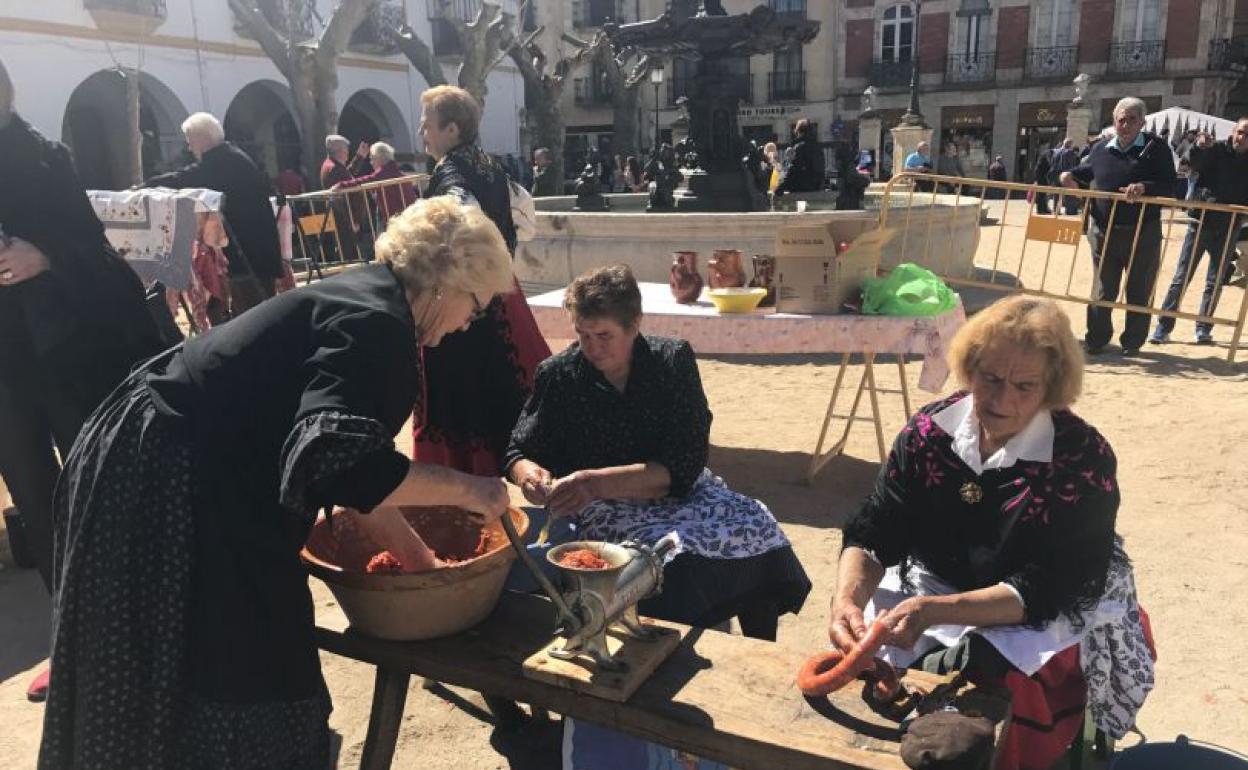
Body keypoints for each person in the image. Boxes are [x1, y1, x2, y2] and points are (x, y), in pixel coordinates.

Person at [39, 196, 515, 769]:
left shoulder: (370, 298)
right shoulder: (379, 326)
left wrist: (420, 563)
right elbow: (338, 463)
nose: (470, 322)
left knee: (205, 650)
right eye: (476, 305)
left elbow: (345, 469)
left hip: (155, 450)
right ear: (447, 284)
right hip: (166, 471)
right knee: (240, 659)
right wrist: (475, 490)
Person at [831, 296, 1153, 770]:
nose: (1003, 400)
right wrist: (847, 599)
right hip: (937, 583)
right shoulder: (928, 433)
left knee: (998, 693)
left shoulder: (1082, 459)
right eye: (991, 378)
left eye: (1025, 386)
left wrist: (937, 611)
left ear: (1051, 387)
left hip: (1044, 603)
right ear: (969, 367)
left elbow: (1051, 587)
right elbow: (878, 526)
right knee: (865, 677)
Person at [0, 59, 163, 700]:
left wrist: (44, 256)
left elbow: (97, 254)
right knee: (36, 506)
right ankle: (71, 642)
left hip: (67, 359)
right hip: (6, 374)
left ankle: (138, 631)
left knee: (92, 494)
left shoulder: (46, 157)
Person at [414, 84, 551, 474]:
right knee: (509, 382)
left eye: (428, 125)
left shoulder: (452, 174)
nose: (422, 132)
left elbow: (463, 223)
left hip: (465, 302)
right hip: (503, 291)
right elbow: (525, 218)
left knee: (466, 389)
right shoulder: (492, 165)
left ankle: (464, 475)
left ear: (452, 129)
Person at [1061, 97, 1176, 355]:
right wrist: (1067, 176)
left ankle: (1133, 343)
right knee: (1103, 289)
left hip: (1143, 232)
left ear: (1142, 122)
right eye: (1120, 119)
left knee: (1139, 288)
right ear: (1114, 121)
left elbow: (1170, 184)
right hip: (1104, 231)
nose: (1125, 125)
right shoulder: (1101, 148)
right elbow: (1085, 172)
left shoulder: (1156, 149)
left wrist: (1145, 187)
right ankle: (1097, 339)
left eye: (1131, 119)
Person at [143, 112, 283, 315]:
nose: (189, 147)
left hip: (250, 255)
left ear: (203, 138)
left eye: (191, 141)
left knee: (255, 314)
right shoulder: (228, 156)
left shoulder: (223, 161)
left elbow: (186, 178)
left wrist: (146, 186)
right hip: (253, 252)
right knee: (251, 310)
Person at [1151, 120, 1248, 345]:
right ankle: (1163, 327)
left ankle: (1203, 328)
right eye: (1240, 132)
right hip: (1201, 221)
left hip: (1229, 226)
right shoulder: (1216, 150)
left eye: (1247, 135)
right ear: (1233, 132)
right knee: (1181, 276)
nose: (1242, 138)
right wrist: (1198, 146)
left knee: (1214, 281)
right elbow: (1191, 163)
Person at [332, 141, 419, 227]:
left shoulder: (384, 172)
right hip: (409, 216)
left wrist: (341, 185)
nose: (371, 163)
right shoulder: (395, 170)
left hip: (399, 220)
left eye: (372, 159)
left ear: (379, 158)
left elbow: (363, 181)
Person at [319, 134, 370, 262]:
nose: (348, 152)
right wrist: (352, 220)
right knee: (348, 254)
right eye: (346, 149)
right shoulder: (334, 168)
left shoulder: (333, 165)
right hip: (345, 220)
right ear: (339, 151)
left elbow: (347, 176)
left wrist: (359, 158)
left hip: (343, 218)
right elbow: (339, 199)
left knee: (347, 252)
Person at [775, 118, 825, 195]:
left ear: (798, 131)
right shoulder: (818, 147)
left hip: (801, 186)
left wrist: (780, 187)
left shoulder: (799, 147)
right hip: (816, 186)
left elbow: (793, 168)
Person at [1051, 137, 1082, 214]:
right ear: (1070, 144)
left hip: (1055, 174)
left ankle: (1055, 210)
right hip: (1065, 174)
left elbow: (1052, 163)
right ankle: (1070, 210)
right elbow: (1071, 165)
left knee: (1056, 194)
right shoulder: (1069, 152)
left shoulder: (1056, 151)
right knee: (1068, 193)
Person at [1032, 144, 1054, 214]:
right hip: (1041, 176)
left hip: (1042, 175)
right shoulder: (1047, 154)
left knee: (1044, 193)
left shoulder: (1046, 154)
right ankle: (1040, 209)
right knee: (1041, 193)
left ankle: (1044, 208)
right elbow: (1049, 163)